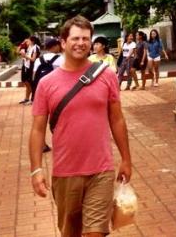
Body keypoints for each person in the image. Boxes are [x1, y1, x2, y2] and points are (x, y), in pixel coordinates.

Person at [29, 15, 132, 237]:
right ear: (63, 42)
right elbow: (37, 129)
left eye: (86, 38)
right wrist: (36, 169)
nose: (81, 43)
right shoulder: (46, 84)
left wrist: (126, 158)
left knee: (95, 233)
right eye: (75, 38)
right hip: (65, 173)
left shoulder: (106, 76)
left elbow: (117, 119)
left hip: (101, 171)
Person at [19, 35, 41, 104]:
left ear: (32, 41)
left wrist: (25, 56)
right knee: (27, 82)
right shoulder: (30, 47)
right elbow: (19, 50)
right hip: (27, 66)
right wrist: (24, 56)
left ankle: (33, 99)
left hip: (33, 67)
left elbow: (33, 59)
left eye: (29, 40)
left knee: (32, 83)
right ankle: (27, 98)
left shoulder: (36, 47)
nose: (27, 41)